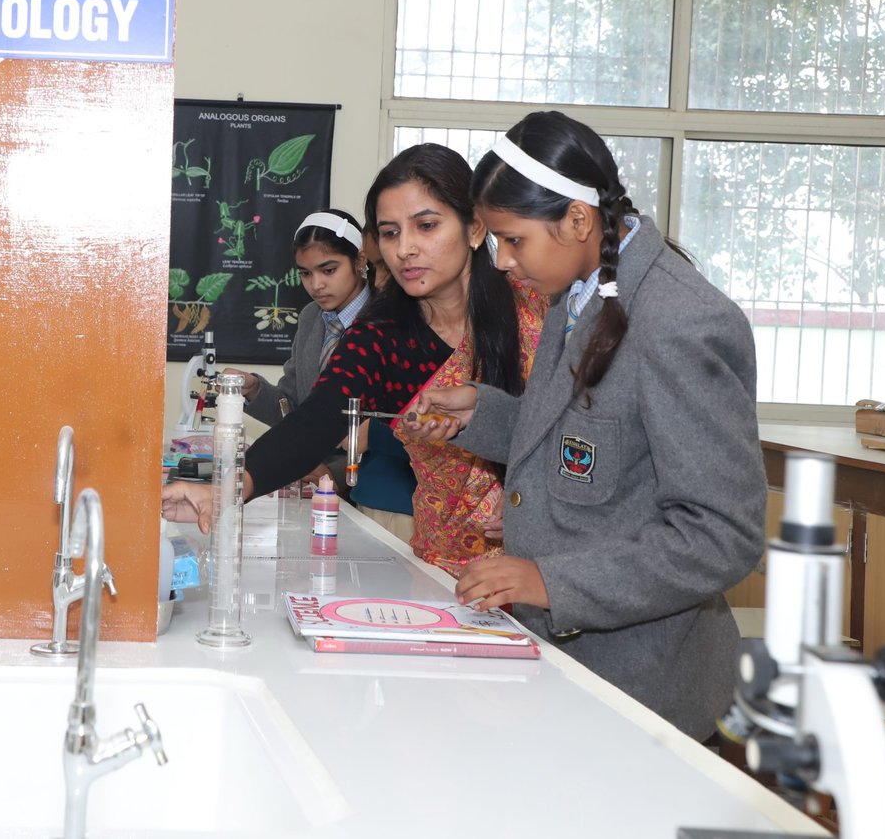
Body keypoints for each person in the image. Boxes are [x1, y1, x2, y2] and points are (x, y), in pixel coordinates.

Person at [403, 109, 765, 740]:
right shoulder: (580, 291)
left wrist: (551, 580)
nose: (502, 261)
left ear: (577, 219)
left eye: (514, 240)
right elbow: (592, 440)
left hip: (643, 687)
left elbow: (721, 536)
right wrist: (484, 414)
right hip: (566, 669)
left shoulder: (679, 320)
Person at [164, 144, 544, 572]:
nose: (405, 249)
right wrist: (229, 490)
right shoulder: (382, 334)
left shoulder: (536, 310)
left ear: (474, 227)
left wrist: (533, 497)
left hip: (544, 564)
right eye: (390, 233)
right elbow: (315, 419)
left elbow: (576, 431)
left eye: (426, 225)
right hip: (443, 567)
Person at [226, 209, 372, 485]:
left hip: (367, 484)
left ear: (359, 260)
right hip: (315, 480)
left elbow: (395, 429)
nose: (316, 285)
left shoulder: (385, 319)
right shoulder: (310, 317)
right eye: (305, 273)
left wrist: (334, 475)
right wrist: (255, 390)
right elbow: (292, 410)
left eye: (329, 270)